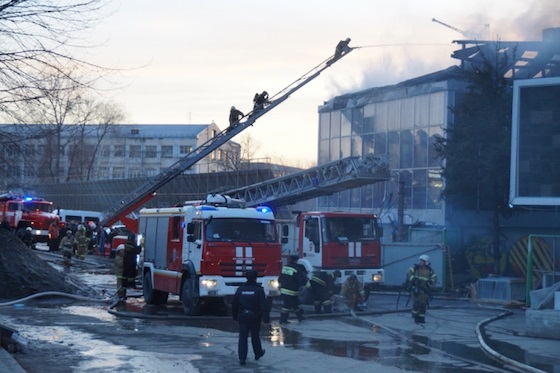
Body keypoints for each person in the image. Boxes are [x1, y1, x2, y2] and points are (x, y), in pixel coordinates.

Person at [231, 269, 270, 366]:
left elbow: (234, 304)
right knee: (255, 336)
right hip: (255, 317)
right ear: (256, 278)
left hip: (243, 316)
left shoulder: (240, 289)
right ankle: (258, 353)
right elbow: (264, 306)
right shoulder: (259, 290)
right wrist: (266, 320)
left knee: (243, 337)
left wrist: (235, 317)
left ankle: (242, 358)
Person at [278, 254, 309, 324]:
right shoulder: (297, 269)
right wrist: (308, 286)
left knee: (296, 304)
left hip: (284, 290)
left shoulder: (285, 267)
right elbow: (301, 280)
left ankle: (300, 316)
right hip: (291, 291)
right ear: (296, 260)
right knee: (286, 306)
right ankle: (282, 320)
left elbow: (280, 279)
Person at [406, 254, 437, 324]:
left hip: (425, 290)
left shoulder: (430, 270)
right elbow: (409, 274)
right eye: (420, 261)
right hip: (416, 289)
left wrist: (430, 282)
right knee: (416, 303)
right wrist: (414, 280)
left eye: (422, 261)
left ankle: (421, 318)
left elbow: (434, 278)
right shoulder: (415, 268)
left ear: (426, 262)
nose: (421, 262)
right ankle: (416, 317)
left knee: (423, 304)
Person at [121, 232, 141, 300]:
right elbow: (136, 250)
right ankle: (130, 285)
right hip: (131, 262)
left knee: (125, 275)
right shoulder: (130, 244)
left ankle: (124, 287)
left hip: (126, 262)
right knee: (131, 275)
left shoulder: (127, 243)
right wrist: (141, 245)